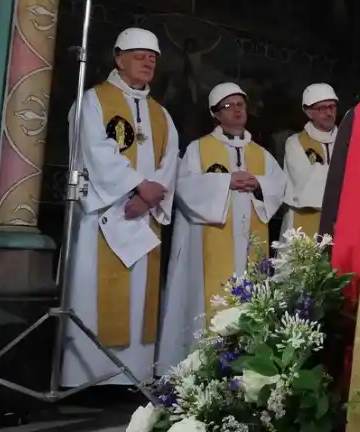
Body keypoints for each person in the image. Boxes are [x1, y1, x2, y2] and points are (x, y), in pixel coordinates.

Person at [61, 27, 179, 388]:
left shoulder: (161, 113)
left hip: (143, 218)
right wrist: (136, 186)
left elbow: (170, 161)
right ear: (118, 58)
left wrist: (148, 197)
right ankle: (88, 377)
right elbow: (93, 150)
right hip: (104, 215)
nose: (148, 62)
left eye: (153, 58)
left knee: (139, 299)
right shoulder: (94, 100)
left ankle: (133, 376)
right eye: (140, 55)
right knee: (95, 296)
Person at [157, 82, 286, 372]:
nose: (237, 110)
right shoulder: (199, 149)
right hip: (210, 245)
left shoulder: (260, 153)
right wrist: (226, 181)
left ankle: (246, 366)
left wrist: (258, 183)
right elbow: (185, 187)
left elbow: (279, 185)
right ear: (215, 114)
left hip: (249, 242)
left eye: (241, 104)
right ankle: (202, 367)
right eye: (229, 106)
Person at [280, 83, 338, 238]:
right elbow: (304, 180)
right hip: (303, 219)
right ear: (309, 112)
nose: (329, 113)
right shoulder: (295, 143)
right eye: (322, 108)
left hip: (340, 220)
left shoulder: (347, 140)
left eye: (332, 107)